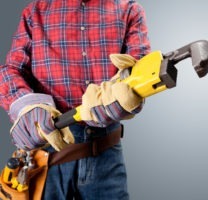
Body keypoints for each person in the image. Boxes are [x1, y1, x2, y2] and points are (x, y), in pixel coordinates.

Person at [0, 0, 151, 199]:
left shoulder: (129, 10)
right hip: (48, 156)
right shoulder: (34, 12)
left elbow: (141, 70)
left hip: (106, 154)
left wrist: (124, 93)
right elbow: (11, 70)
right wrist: (27, 105)